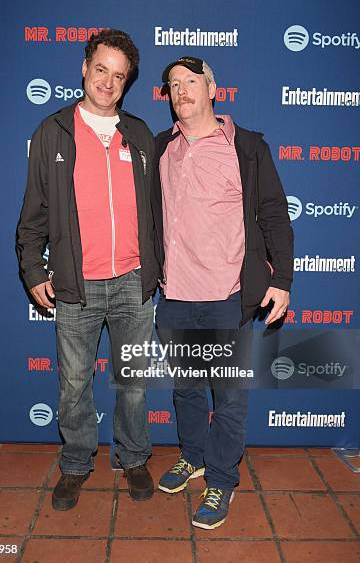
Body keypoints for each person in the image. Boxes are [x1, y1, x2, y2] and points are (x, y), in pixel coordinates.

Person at [16, 29, 159, 510]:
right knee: (75, 384)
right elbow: (32, 215)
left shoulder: (138, 134)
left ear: (127, 82)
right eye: (101, 69)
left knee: (134, 384)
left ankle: (134, 458)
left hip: (134, 284)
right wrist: (34, 270)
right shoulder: (52, 130)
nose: (108, 81)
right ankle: (77, 464)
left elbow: (158, 212)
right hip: (75, 286)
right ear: (84, 67)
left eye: (119, 75)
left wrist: (157, 267)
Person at [151, 56, 293, 529]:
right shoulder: (160, 148)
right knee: (186, 390)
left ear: (213, 87)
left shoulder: (246, 147)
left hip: (227, 295)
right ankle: (192, 457)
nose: (182, 90)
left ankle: (221, 479)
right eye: (173, 84)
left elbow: (274, 213)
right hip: (173, 295)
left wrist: (282, 280)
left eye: (191, 81)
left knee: (228, 396)